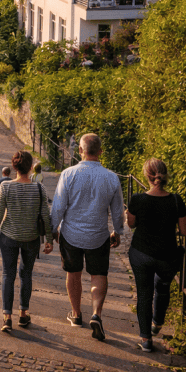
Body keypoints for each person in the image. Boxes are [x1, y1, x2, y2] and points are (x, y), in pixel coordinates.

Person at [50, 133, 124, 341]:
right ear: (101, 151)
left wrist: (52, 229)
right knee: (98, 275)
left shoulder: (68, 174)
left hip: (71, 234)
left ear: (80, 151)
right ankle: (96, 314)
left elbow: (58, 206)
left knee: (73, 273)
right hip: (98, 235)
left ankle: (76, 314)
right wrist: (117, 232)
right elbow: (118, 211)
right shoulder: (111, 177)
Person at [127, 158, 186, 353]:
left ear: (147, 176)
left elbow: (131, 224)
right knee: (162, 288)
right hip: (167, 255)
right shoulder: (175, 200)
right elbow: (185, 231)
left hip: (141, 253)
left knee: (144, 294)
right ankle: (157, 323)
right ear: (165, 176)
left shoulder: (137, 199)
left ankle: (146, 339)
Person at [0, 150, 54, 333]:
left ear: (14, 166)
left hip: (9, 236)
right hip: (31, 238)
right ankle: (23, 315)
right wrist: (49, 239)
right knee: (26, 275)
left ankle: (7, 317)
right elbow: (45, 215)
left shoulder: (6, 187)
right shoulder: (39, 188)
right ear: (31, 167)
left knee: (7, 275)